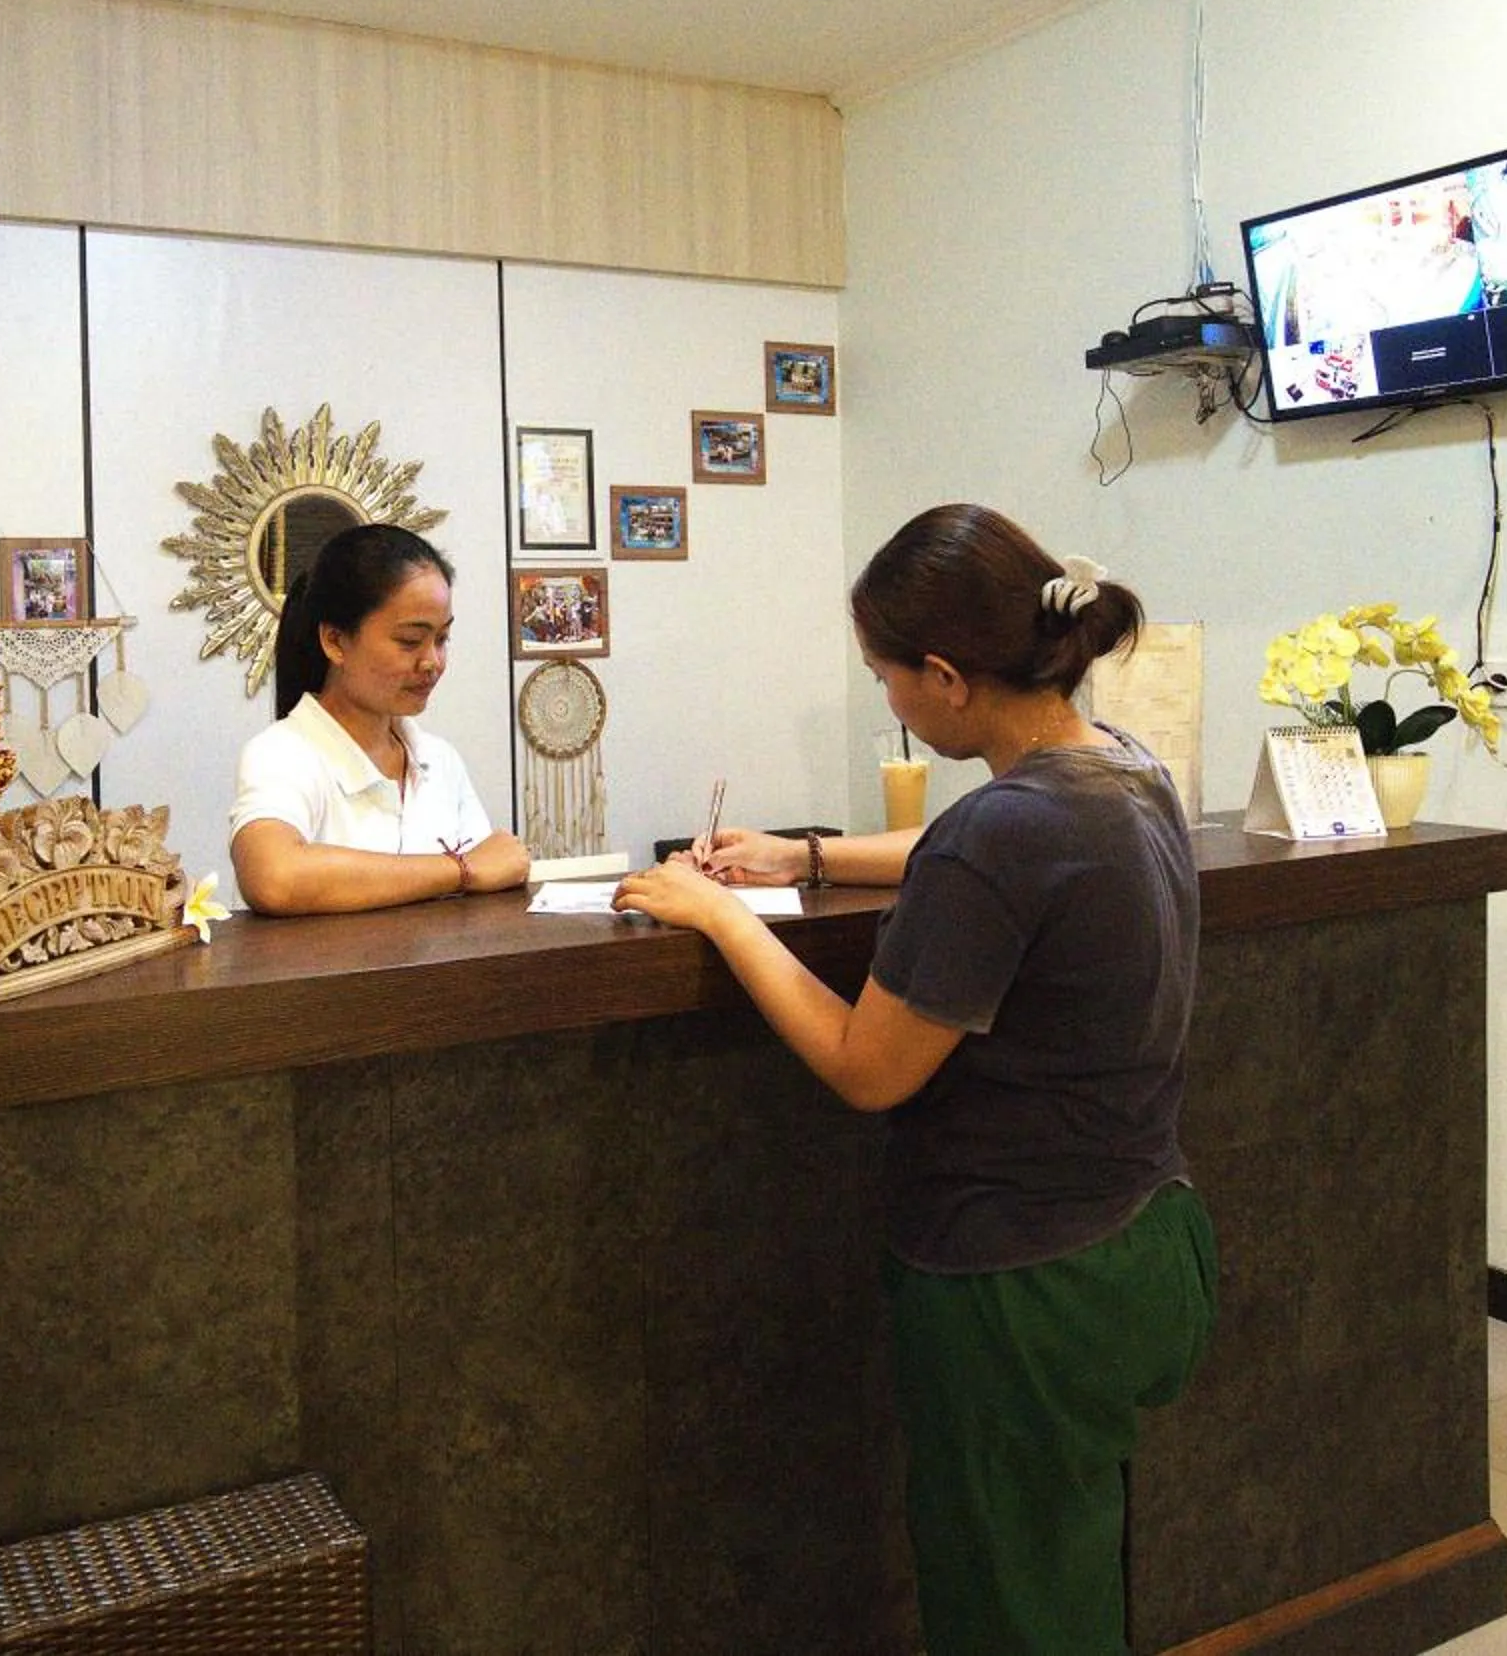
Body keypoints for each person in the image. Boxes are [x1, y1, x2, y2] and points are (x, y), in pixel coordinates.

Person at [614, 504, 1216, 1655]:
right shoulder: (1121, 769)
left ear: (944, 676)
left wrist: (722, 917)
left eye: (885, 677)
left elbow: (868, 1068)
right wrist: (806, 856)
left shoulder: (1003, 831)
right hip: (1146, 1239)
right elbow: (970, 851)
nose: (887, 699)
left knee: (1009, 1606)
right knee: (1067, 1565)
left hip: (1022, 1282)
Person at [229, 523, 530, 915]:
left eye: (441, 640)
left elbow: (492, 879)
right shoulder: (283, 753)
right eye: (410, 641)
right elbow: (273, 878)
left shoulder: (439, 759)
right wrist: (460, 870)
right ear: (335, 641)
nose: (432, 662)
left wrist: (476, 871)